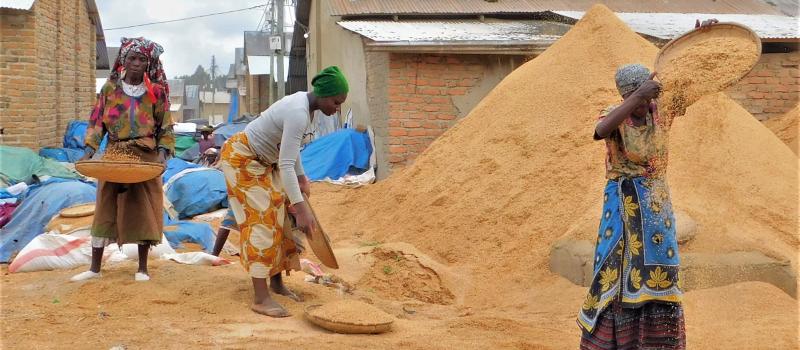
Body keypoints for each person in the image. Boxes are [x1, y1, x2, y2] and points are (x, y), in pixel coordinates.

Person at [217, 66, 348, 317]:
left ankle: (276, 282)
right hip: (242, 159)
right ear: (323, 95)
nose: (337, 108)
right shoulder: (299, 111)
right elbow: (286, 163)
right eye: (336, 101)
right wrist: (301, 210)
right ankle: (260, 297)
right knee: (262, 222)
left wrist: (302, 179)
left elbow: (291, 149)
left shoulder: (305, 108)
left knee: (279, 219)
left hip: (265, 162)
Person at [578, 64, 685, 349]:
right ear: (628, 95)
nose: (647, 105)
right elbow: (600, 130)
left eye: (651, 98)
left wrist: (703, 40)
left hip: (656, 205)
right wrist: (637, 97)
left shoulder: (661, 111)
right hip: (623, 204)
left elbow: (693, 89)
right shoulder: (614, 114)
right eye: (641, 98)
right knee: (617, 268)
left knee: (661, 268)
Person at [71, 37, 173, 282]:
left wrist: (161, 156)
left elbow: (165, 127)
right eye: (132, 58)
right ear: (124, 60)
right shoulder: (110, 89)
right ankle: (95, 268)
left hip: (144, 155)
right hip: (115, 153)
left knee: (143, 209)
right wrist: (89, 151)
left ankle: (142, 268)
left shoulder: (155, 93)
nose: (136, 63)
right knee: (106, 205)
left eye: (142, 59)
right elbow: (97, 123)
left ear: (149, 64)